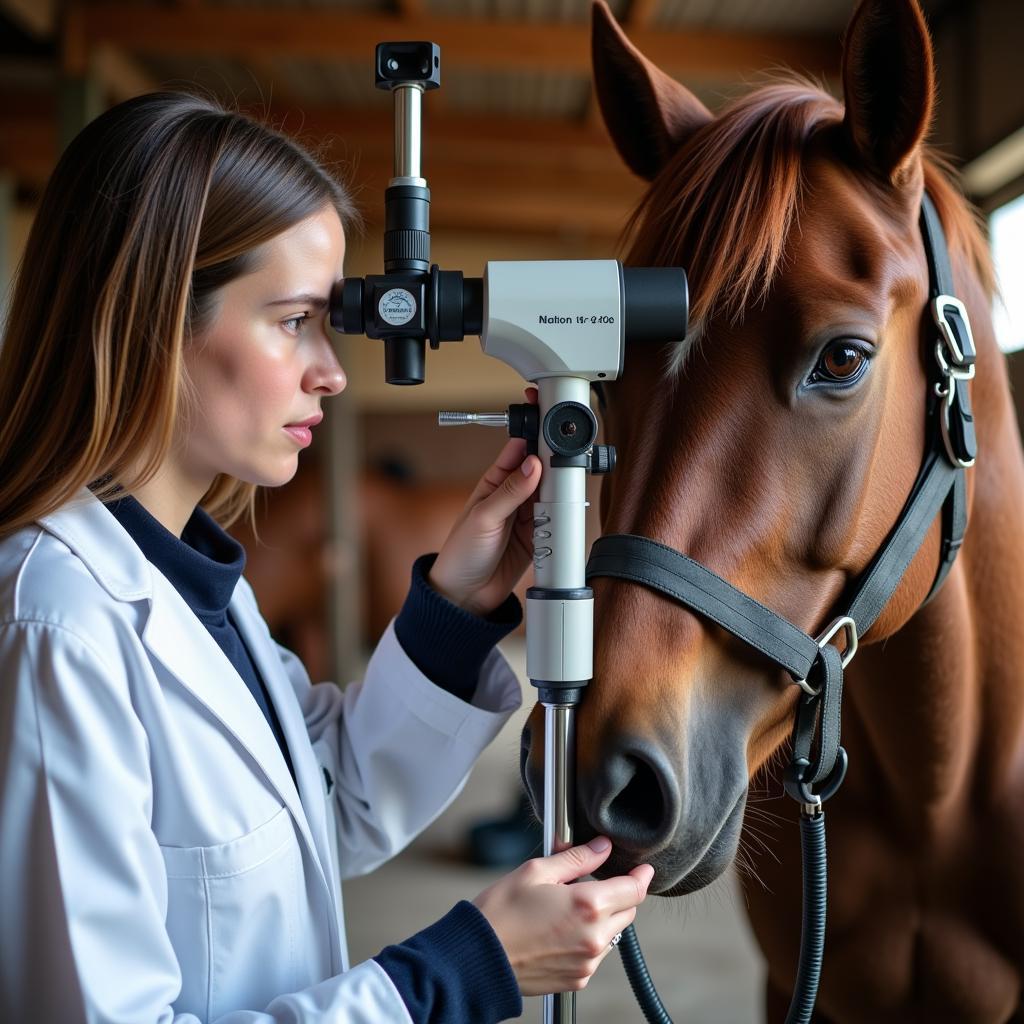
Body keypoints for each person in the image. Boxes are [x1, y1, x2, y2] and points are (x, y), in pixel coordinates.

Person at [0, 92, 654, 1023]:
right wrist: (461, 971)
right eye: (292, 320)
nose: (333, 371)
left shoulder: (188, 584)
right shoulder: (54, 624)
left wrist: (457, 607)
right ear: (153, 319)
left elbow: (328, 801)